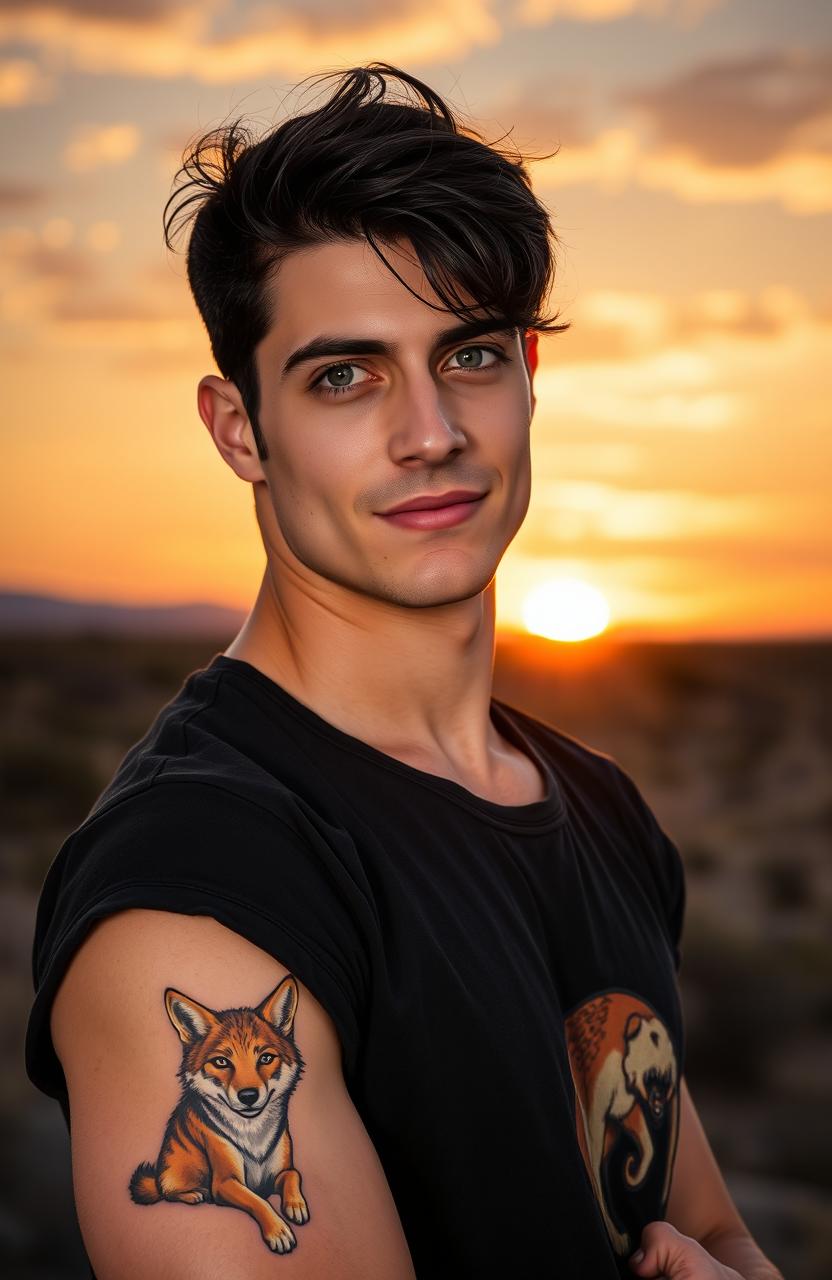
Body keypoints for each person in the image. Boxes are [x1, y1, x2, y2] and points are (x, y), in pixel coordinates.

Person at [25, 62, 784, 1280]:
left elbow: (714, 1236)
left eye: (470, 356)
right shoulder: (198, 891)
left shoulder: (594, 804)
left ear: (530, 375)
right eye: (344, 375)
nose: (429, 430)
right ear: (238, 430)